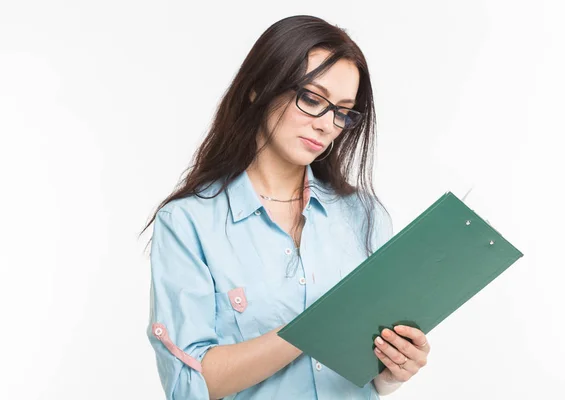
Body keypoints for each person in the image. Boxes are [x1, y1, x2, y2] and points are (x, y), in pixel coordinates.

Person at [140, 15, 430, 400]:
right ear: (259, 90)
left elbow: (370, 375)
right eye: (312, 99)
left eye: (343, 111)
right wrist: (310, 328)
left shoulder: (365, 215)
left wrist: (395, 368)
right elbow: (188, 384)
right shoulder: (188, 222)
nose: (327, 124)